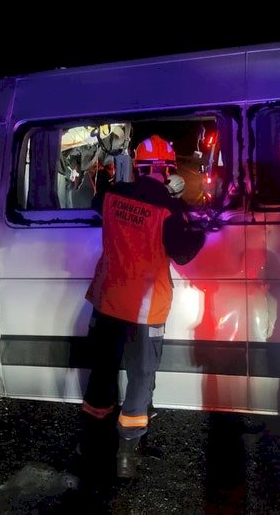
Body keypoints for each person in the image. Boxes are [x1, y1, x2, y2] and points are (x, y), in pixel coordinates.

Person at [80, 135, 206, 479]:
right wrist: (195, 223)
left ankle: (92, 444)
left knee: (102, 374)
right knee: (140, 379)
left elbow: (95, 200)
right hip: (145, 310)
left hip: (107, 301)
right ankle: (127, 454)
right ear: (168, 170)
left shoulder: (112, 196)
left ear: (138, 167)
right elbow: (183, 252)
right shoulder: (172, 209)